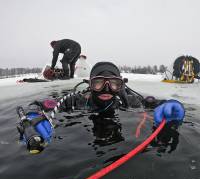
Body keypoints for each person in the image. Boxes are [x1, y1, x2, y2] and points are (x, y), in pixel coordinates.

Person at [16, 62, 185, 153]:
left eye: (113, 83)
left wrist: (170, 105)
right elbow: (39, 104)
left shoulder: (129, 101)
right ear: (90, 85)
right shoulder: (78, 101)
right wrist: (32, 116)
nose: (105, 88)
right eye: (98, 83)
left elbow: (153, 103)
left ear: (120, 85)